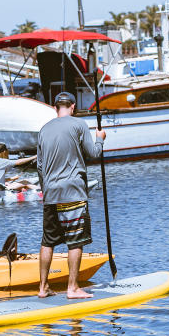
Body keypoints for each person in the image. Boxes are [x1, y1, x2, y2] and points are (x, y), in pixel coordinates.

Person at [36, 91, 105, 299]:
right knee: (76, 240)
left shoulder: (43, 129)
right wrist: (100, 139)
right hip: (72, 192)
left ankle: (43, 287)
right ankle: (73, 288)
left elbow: (39, 167)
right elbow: (93, 153)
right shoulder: (79, 124)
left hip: (50, 194)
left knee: (48, 241)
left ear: (55, 107)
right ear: (73, 107)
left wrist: (46, 190)